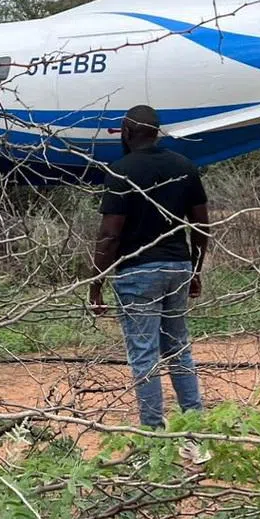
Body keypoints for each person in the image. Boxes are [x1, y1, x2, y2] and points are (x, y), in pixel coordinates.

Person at [90, 104, 210, 460]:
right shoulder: (184, 167)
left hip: (137, 273)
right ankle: (196, 439)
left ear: (126, 131)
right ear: (157, 131)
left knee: (144, 357)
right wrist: (196, 270)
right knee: (179, 352)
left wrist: (95, 283)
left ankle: (153, 444)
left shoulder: (123, 171)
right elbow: (201, 226)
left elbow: (110, 234)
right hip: (177, 268)